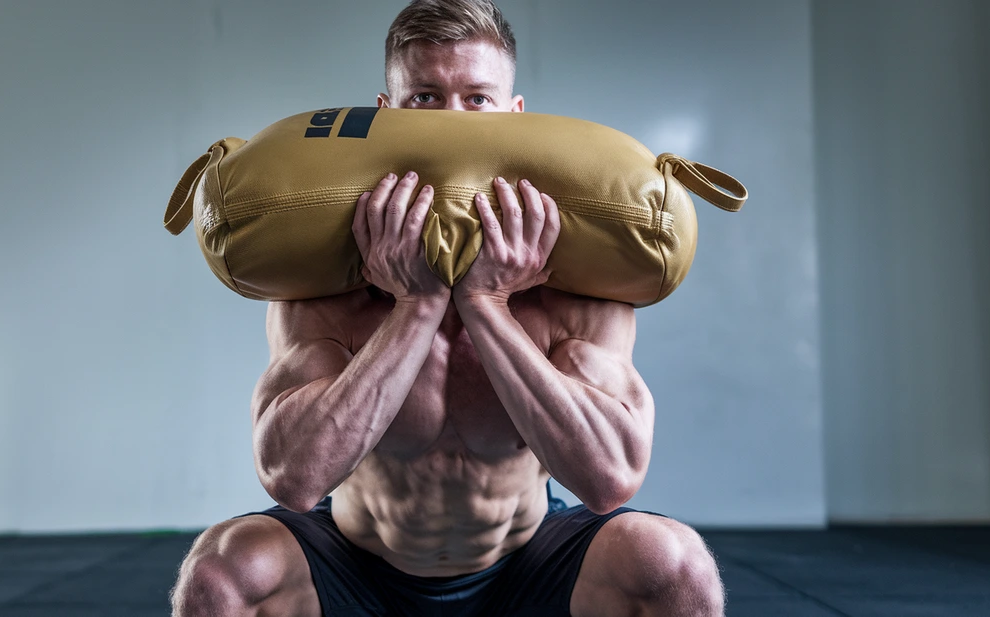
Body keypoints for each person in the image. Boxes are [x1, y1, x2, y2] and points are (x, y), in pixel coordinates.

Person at [172, 1, 724, 615]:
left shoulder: (576, 283)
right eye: (426, 99)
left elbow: (609, 479)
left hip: (524, 564)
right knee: (220, 570)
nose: (452, 123)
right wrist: (416, 303)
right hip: (359, 561)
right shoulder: (327, 283)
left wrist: (487, 305)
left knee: (674, 565)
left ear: (516, 118)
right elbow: (294, 479)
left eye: (477, 100)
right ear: (386, 115)